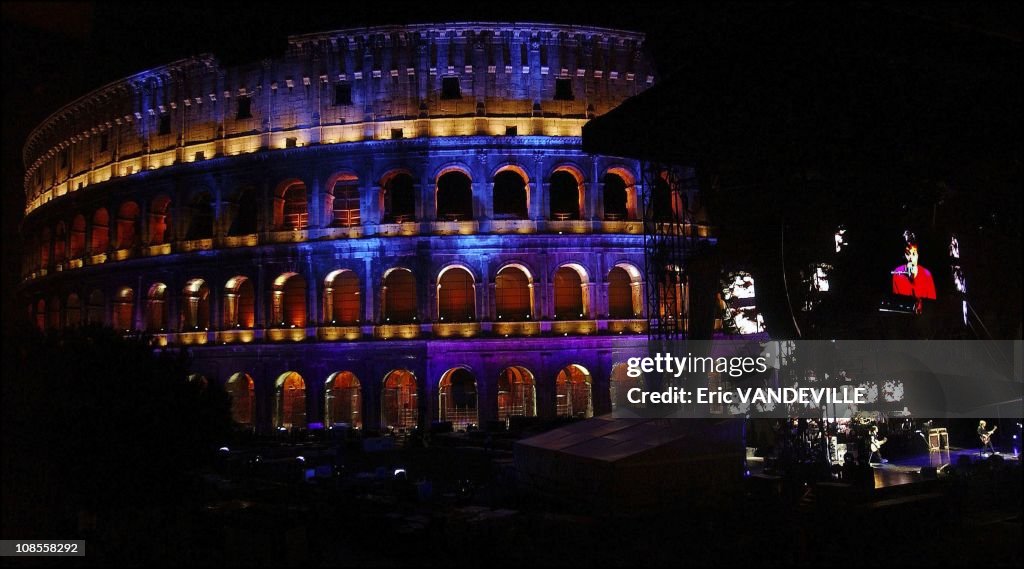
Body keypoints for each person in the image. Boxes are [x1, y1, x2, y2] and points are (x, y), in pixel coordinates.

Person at [892, 234, 937, 314]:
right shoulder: (897, 274)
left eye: (914, 254)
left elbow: (932, 306)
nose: (911, 259)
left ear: (917, 255)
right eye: (907, 254)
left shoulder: (927, 275)